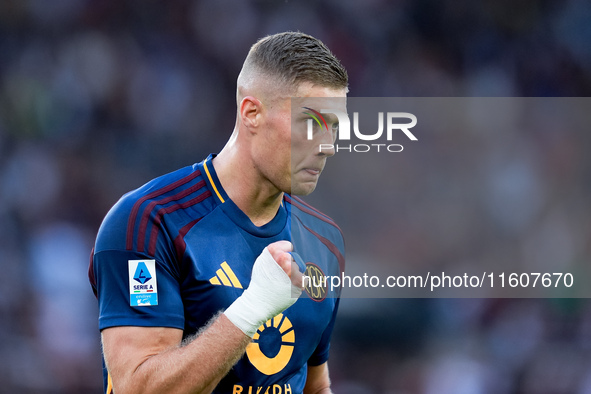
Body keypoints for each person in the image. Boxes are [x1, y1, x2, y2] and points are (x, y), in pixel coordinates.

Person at [89, 31, 348, 394]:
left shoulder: (325, 240)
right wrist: (253, 307)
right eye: (312, 124)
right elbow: (139, 388)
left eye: (335, 127)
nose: (328, 146)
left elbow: (314, 385)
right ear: (252, 113)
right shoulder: (148, 222)